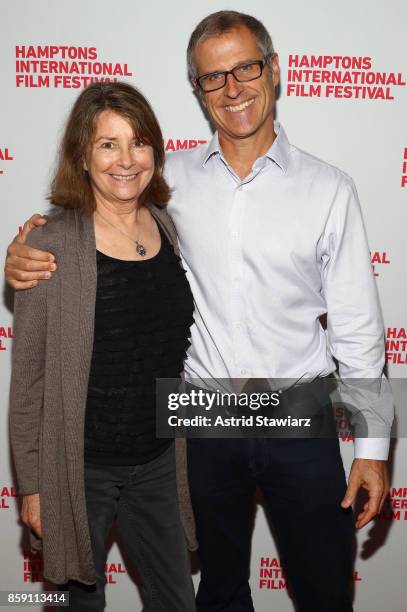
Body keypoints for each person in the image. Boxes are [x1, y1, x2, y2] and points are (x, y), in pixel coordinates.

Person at [5, 11, 392, 612]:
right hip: (203, 420)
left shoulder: (329, 189)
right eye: (214, 77)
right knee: (217, 594)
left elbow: (360, 330)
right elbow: (92, 223)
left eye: (246, 68)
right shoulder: (167, 183)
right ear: (198, 89)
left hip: (299, 415)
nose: (232, 87)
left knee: (324, 591)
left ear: (275, 71)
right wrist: (29, 246)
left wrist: (371, 450)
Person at [9, 81, 197, 612]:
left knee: (177, 602)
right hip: (80, 469)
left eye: (138, 142)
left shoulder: (166, 227)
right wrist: (33, 486)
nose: (126, 160)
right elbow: (29, 380)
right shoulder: (50, 243)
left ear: (155, 152)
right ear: (82, 156)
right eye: (107, 144)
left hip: (159, 461)